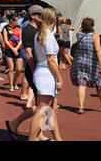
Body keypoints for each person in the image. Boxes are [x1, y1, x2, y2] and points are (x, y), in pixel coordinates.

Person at [5, 5, 51, 141]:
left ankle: (34, 131)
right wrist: (34, 72)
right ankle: (20, 126)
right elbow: (29, 53)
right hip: (35, 71)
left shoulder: (37, 29)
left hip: (38, 70)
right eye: (39, 14)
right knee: (43, 105)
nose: (42, 17)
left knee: (42, 105)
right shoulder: (29, 31)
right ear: (32, 15)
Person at [28, 8, 63, 141]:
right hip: (46, 74)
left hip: (43, 72)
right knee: (42, 110)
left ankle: (57, 139)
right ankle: (32, 139)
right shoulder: (46, 35)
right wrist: (59, 78)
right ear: (54, 20)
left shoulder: (41, 34)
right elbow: (51, 59)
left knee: (51, 111)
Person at [70, 17, 101, 114]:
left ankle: (81, 107)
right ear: (92, 26)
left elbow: (79, 30)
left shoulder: (79, 35)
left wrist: (84, 22)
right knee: (99, 84)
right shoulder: (95, 36)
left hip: (80, 63)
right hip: (92, 63)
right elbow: (98, 50)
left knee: (82, 84)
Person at [2, 14, 23, 92]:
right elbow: (6, 40)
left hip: (18, 49)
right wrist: (13, 49)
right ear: (11, 20)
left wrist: (16, 48)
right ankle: (11, 85)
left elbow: (21, 39)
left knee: (19, 68)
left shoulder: (19, 28)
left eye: (17, 20)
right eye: (16, 20)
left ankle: (15, 82)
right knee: (11, 68)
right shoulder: (6, 28)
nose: (17, 22)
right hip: (9, 50)